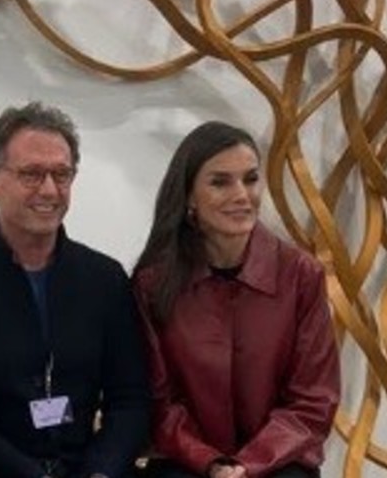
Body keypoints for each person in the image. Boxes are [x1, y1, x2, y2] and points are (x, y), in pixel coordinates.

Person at [0, 102, 148, 478]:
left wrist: (101, 472)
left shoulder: (105, 279)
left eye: (61, 174)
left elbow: (130, 400)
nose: (50, 190)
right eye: (32, 174)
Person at [130, 121, 340, 478]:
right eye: (220, 182)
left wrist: (247, 465)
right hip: (185, 460)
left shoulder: (301, 275)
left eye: (250, 179)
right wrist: (211, 463)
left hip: (278, 460)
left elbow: (312, 400)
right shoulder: (153, 283)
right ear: (189, 197)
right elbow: (158, 402)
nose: (242, 195)